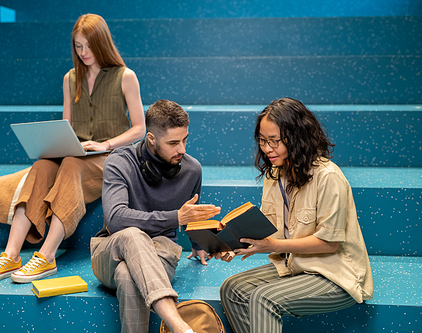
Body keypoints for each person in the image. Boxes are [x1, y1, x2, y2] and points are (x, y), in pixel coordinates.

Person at [0, 14, 145, 283]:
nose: (83, 52)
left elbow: (140, 129)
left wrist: (105, 144)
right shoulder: (70, 78)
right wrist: (54, 143)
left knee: (71, 165)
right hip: (77, 152)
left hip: (110, 156)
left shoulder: (125, 77)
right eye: (78, 46)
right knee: (42, 166)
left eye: (89, 46)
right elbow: (65, 124)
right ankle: (11, 255)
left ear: (102, 43)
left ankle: (47, 256)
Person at [215, 97, 373, 333]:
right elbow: (267, 229)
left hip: (335, 274)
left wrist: (272, 245)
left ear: (297, 138)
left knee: (264, 298)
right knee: (231, 288)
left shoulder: (329, 177)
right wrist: (231, 242)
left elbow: (329, 243)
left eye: (274, 141)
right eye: (262, 140)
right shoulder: (274, 175)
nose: (267, 149)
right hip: (294, 265)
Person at [90, 99, 221, 333]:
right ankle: (178, 325)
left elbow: (191, 214)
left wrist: (198, 241)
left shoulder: (192, 170)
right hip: (110, 251)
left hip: (159, 253)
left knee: (128, 276)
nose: (182, 149)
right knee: (132, 234)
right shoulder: (119, 162)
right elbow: (116, 219)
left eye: (185, 140)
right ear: (151, 138)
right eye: (173, 143)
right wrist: (176, 218)